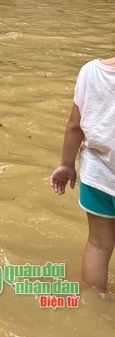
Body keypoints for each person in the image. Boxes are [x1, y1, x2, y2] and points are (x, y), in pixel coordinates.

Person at [49, 54, 115, 294]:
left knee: (98, 245)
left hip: (98, 179)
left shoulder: (91, 71)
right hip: (97, 178)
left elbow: (75, 125)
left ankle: (95, 304)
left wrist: (66, 165)